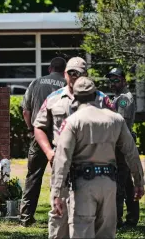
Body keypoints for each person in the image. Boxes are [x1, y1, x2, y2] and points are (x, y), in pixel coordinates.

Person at [51, 77, 144, 238]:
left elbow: (62, 159)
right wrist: (139, 182)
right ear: (96, 95)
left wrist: (58, 192)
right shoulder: (115, 119)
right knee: (106, 234)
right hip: (109, 184)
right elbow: (131, 152)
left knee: (82, 232)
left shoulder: (73, 121)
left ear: (75, 97)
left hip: (83, 184)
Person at [33, 57, 115, 238]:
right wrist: (48, 152)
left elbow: (115, 126)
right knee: (58, 212)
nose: (74, 76)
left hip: (91, 165)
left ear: (85, 75)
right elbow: (38, 126)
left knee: (91, 216)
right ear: (64, 74)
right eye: (71, 72)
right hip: (61, 163)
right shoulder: (53, 99)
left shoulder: (101, 99)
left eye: (78, 73)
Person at [19, 57, 67, 227]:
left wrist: (32, 129)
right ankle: (65, 215)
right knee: (64, 177)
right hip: (62, 137)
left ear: (49, 68)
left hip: (39, 136)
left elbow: (26, 110)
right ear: (64, 70)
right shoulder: (68, 85)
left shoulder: (35, 83)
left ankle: (26, 217)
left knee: (33, 176)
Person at [106, 67, 139, 228]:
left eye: (116, 80)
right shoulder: (117, 97)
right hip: (119, 143)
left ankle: (117, 220)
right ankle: (132, 217)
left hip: (121, 144)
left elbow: (121, 124)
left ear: (124, 81)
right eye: (111, 80)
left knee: (119, 182)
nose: (113, 83)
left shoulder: (124, 99)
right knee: (126, 182)